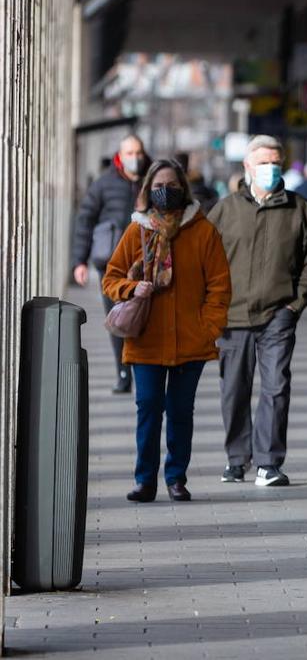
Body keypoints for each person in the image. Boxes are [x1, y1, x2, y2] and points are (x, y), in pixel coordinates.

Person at [102, 159, 231, 503]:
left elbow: (219, 285)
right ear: (148, 190)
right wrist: (132, 289)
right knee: (147, 408)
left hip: (192, 340)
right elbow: (111, 278)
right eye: (160, 185)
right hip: (147, 340)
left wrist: (209, 327)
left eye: (173, 185)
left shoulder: (203, 231)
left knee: (179, 412)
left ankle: (176, 477)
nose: (166, 191)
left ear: (183, 189)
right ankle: (145, 480)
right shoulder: (137, 231)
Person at [208, 135, 307, 486]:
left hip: (278, 314)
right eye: (263, 163)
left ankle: (268, 463)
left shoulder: (301, 210)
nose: (270, 169)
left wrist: (296, 303)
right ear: (247, 167)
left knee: (276, 387)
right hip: (233, 316)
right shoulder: (225, 210)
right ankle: (236, 458)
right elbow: (204, 261)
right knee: (234, 389)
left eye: (275, 162)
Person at [72, 134, 150, 393]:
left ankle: (145, 371)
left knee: (146, 319)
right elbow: (85, 220)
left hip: (147, 266)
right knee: (118, 319)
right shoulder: (104, 184)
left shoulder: (152, 179)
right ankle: (123, 371)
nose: (135, 158)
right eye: (130, 153)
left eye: (138, 153)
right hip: (112, 267)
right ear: (120, 155)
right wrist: (79, 261)